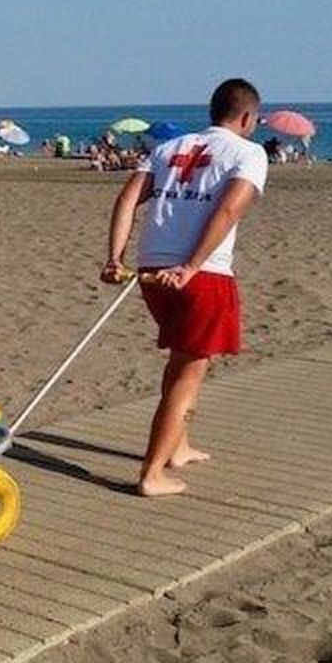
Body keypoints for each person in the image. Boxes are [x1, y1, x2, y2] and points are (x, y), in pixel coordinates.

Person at [100, 78, 268, 498]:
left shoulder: (167, 148)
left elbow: (126, 200)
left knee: (184, 361)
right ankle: (152, 473)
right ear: (247, 117)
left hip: (152, 269)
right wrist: (193, 265)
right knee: (186, 374)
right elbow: (230, 208)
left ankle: (179, 446)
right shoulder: (249, 152)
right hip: (201, 273)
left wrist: (114, 258)